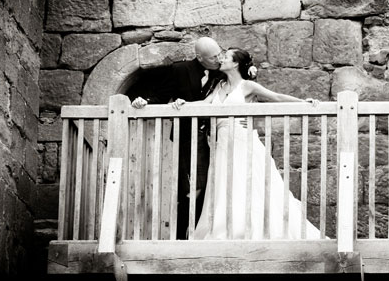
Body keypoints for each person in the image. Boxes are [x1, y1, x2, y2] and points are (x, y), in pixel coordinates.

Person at [171, 48, 322, 240]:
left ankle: (251, 230)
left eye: (225, 57)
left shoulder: (247, 86)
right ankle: (226, 231)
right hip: (222, 143)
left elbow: (276, 97)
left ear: (235, 63)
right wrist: (182, 104)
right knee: (224, 184)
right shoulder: (219, 86)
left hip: (242, 140)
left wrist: (305, 102)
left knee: (248, 183)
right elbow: (204, 103)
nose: (221, 59)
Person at [131, 36, 225, 239]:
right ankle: (182, 237)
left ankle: (207, 234)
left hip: (218, 136)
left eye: (219, 54)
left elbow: (241, 71)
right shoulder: (180, 70)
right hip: (188, 137)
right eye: (213, 57)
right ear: (199, 57)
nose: (218, 59)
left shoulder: (222, 71)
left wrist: (251, 70)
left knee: (214, 187)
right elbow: (161, 96)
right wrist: (142, 102)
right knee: (193, 189)